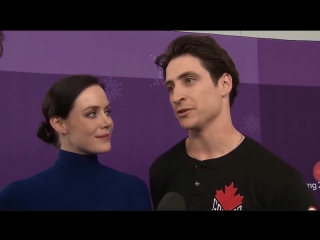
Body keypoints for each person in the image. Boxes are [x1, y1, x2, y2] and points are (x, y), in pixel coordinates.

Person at [149, 34, 319, 211]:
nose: (176, 97)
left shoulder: (279, 179)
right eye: (171, 87)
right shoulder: (163, 170)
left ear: (224, 84)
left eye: (189, 80)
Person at [0, 74, 152, 210]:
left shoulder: (132, 190)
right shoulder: (17, 197)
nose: (107, 122)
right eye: (92, 113)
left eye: (107, 111)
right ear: (59, 124)